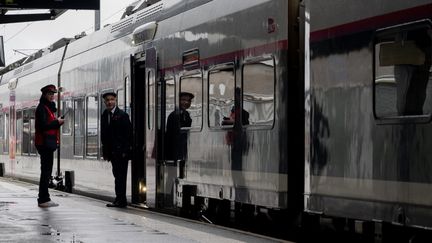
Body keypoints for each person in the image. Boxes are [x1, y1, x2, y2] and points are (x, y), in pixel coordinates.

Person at [101, 92, 132, 208]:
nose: (110, 102)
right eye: (107, 100)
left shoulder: (123, 115)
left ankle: (121, 200)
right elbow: (104, 134)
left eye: (112, 100)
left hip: (121, 152)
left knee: (121, 177)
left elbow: (128, 135)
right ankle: (118, 198)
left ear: (115, 101)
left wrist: (125, 151)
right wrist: (105, 151)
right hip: (112, 152)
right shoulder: (105, 114)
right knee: (117, 175)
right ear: (104, 102)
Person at [35, 84, 64, 207]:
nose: (52, 96)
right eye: (50, 94)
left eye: (53, 94)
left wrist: (56, 122)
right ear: (45, 95)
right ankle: (43, 198)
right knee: (46, 171)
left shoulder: (47, 108)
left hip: (47, 143)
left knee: (46, 171)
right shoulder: (42, 108)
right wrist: (56, 122)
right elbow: (42, 126)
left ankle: (44, 198)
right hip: (44, 144)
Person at [165, 92, 194, 177]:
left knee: (180, 175)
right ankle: (168, 190)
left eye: (188, 101)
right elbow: (173, 137)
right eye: (183, 100)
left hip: (182, 150)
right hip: (175, 151)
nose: (186, 102)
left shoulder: (186, 114)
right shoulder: (174, 115)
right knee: (172, 176)